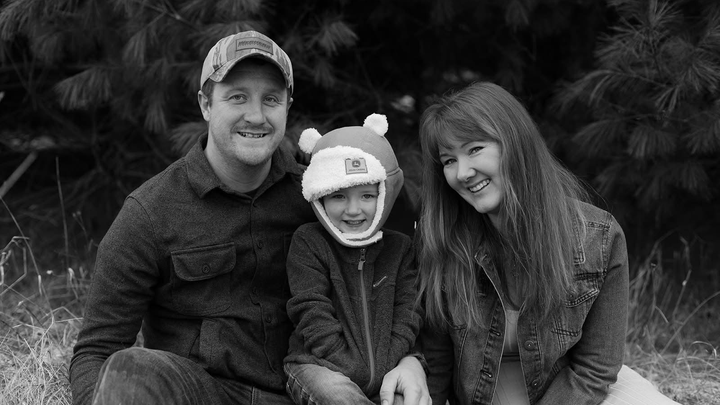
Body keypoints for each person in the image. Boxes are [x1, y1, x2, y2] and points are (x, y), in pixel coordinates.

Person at [70, 30, 429, 405]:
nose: (256, 116)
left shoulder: (323, 198)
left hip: (305, 390)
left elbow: (381, 285)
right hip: (204, 393)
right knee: (131, 367)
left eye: (271, 99)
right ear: (206, 104)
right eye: (237, 97)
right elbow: (96, 350)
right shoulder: (151, 212)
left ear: (287, 107)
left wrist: (411, 360)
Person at [415, 81, 680, 405]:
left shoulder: (597, 238)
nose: (462, 173)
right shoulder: (445, 241)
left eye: (474, 149)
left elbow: (595, 369)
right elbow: (437, 363)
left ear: (515, 142)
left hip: (570, 393)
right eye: (448, 160)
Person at [283, 114, 423, 405]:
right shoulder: (309, 242)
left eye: (367, 196)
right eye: (338, 197)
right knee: (338, 394)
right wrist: (353, 368)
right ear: (320, 197)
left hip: (387, 367)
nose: (354, 210)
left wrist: (388, 364)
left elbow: (408, 312)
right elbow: (310, 311)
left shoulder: (399, 249)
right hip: (317, 366)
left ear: (383, 195)